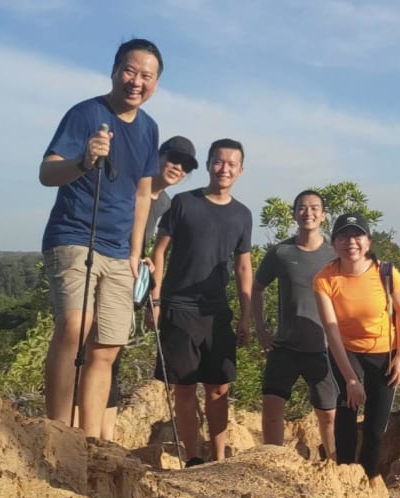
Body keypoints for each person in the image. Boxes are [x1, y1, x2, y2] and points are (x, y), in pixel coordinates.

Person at [40, 38, 164, 439]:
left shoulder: (148, 128)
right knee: (76, 326)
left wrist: (135, 252)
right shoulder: (85, 114)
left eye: (147, 75)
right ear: (114, 70)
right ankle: (58, 433)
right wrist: (84, 160)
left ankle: (90, 440)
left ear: (156, 83)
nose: (136, 81)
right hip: (75, 235)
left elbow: (143, 192)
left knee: (107, 347)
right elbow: (47, 172)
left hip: (119, 250)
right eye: (130, 71)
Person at [149, 138, 252, 466]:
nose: (224, 169)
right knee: (183, 389)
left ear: (241, 170)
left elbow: (244, 266)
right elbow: (160, 251)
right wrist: (155, 300)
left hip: (216, 311)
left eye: (231, 164)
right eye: (219, 162)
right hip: (179, 307)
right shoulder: (182, 203)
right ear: (208, 165)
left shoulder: (242, 215)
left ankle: (219, 457)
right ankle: (192, 457)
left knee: (218, 388)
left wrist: (246, 316)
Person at [102, 136, 198, 441]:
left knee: (112, 357)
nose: (177, 168)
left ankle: (103, 437)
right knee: (90, 352)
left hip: (129, 281)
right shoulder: (128, 185)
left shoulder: (166, 203)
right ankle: (77, 430)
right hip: (104, 270)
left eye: (185, 166)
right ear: (158, 156)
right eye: (173, 159)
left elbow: (149, 246)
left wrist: (150, 289)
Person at [313, 213, 400, 478]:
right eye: (343, 236)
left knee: (376, 427)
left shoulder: (387, 273)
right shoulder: (325, 278)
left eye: (357, 235)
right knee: (346, 415)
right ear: (334, 243)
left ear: (368, 241)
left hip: (384, 352)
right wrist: (351, 379)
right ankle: (345, 477)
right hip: (346, 352)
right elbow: (331, 330)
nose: (350, 242)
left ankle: (368, 480)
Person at [253, 190, 338, 458]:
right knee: (272, 409)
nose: (308, 212)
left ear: (324, 215)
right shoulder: (281, 252)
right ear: (293, 213)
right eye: (302, 207)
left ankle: (334, 465)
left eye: (314, 208)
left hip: (324, 349)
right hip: (285, 346)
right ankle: (274, 463)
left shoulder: (335, 254)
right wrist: (261, 329)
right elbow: (257, 288)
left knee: (328, 416)